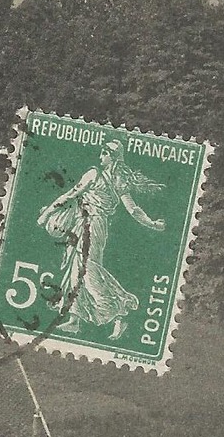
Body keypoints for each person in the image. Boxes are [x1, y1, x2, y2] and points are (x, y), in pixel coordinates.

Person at [36, 138, 165, 339]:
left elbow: (71, 194)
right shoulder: (117, 181)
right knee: (76, 269)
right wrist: (152, 223)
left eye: (104, 153)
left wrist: (45, 215)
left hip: (93, 225)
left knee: (88, 270)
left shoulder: (96, 175)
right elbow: (133, 209)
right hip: (86, 224)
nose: (100, 156)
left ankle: (119, 311)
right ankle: (74, 320)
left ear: (112, 157)